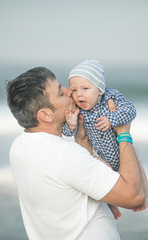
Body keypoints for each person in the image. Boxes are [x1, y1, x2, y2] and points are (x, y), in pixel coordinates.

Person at [6, 67, 147, 240]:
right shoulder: (66, 155)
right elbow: (135, 196)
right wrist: (123, 132)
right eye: (60, 93)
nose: (70, 92)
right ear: (45, 115)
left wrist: (82, 144)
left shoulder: (20, 146)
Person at [62, 60, 137, 219]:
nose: (79, 94)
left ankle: (143, 198)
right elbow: (68, 133)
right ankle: (111, 203)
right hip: (101, 156)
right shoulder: (78, 108)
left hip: (121, 151)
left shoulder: (112, 96)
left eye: (85, 88)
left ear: (100, 90)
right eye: (74, 90)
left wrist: (111, 118)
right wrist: (71, 125)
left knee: (137, 171)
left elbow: (131, 111)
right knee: (103, 172)